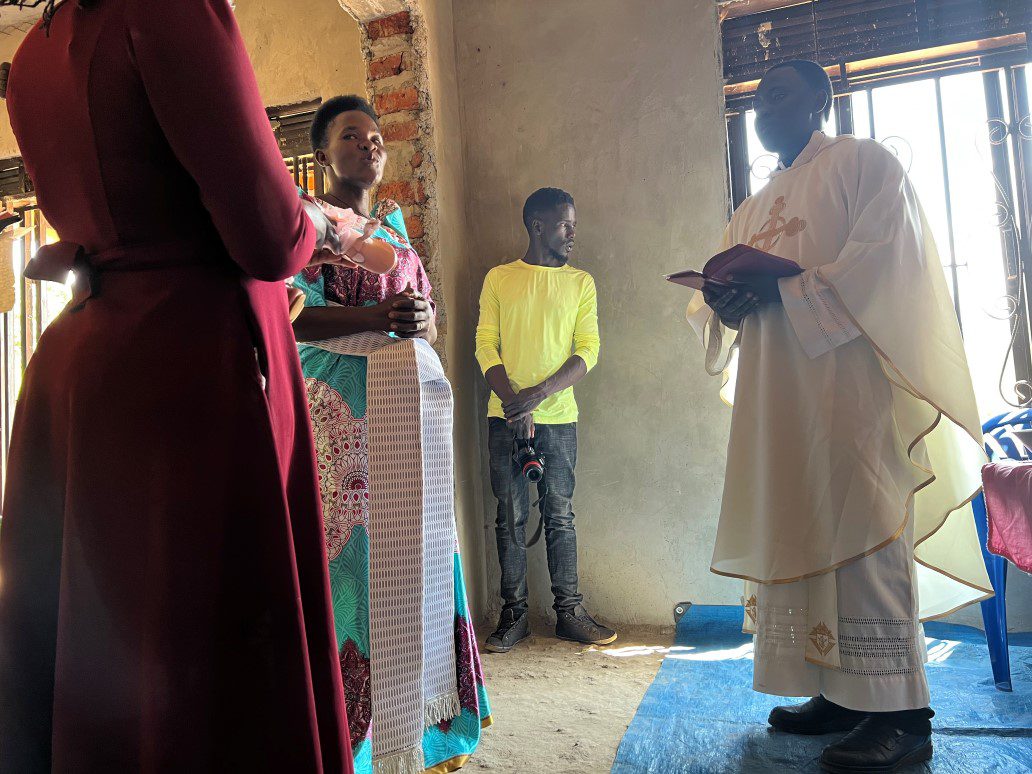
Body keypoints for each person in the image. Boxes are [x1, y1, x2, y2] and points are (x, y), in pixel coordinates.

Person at [0, 1, 353, 771]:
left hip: (87, 368)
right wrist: (324, 226)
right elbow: (269, 236)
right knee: (205, 656)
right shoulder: (169, 8)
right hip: (192, 366)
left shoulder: (32, 55)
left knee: (116, 642)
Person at [686, 60, 992, 773]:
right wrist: (725, 303)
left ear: (820, 100)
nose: (763, 109)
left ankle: (902, 715)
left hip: (850, 394)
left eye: (779, 94)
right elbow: (721, 301)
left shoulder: (865, 164)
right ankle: (839, 692)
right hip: (779, 401)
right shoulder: (753, 206)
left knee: (864, 532)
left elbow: (887, 265)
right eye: (757, 100)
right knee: (802, 528)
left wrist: (785, 289)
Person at [292, 95, 491, 774]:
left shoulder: (395, 231)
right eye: (352, 136)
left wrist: (419, 321)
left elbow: (426, 317)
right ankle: (355, 742)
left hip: (408, 416)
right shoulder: (304, 222)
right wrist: (377, 316)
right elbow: (289, 313)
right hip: (340, 415)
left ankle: (426, 732)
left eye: (376, 136)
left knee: (423, 555)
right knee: (355, 563)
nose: (370, 145)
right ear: (322, 153)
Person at [475, 187, 615, 653]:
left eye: (573, 225)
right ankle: (513, 615)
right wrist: (514, 403)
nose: (572, 233)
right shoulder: (499, 278)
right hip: (504, 417)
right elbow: (485, 344)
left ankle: (569, 613)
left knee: (560, 515)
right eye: (563, 225)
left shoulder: (581, 283)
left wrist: (536, 396)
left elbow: (588, 350)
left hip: (558, 418)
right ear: (538, 226)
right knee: (509, 517)